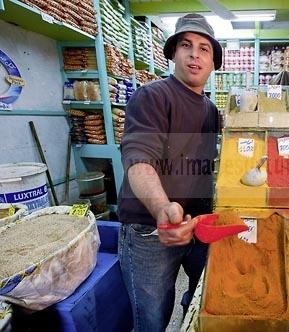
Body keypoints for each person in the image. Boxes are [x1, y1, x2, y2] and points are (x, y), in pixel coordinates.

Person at [117, 13, 222, 332]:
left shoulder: (211, 111)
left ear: (213, 61)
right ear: (173, 53)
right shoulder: (153, 96)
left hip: (197, 225)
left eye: (204, 48)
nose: (194, 54)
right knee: (152, 319)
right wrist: (163, 209)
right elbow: (138, 159)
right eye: (186, 45)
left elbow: (206, 166)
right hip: (151, 229)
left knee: (202, 298)